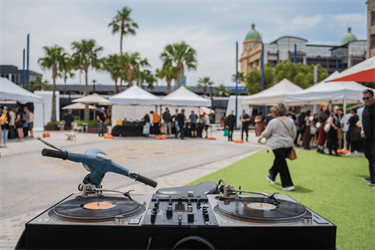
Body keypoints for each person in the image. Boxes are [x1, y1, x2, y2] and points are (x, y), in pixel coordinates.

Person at [260, 103, 297, 191]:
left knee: (281, 163)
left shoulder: (273, 122)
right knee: (280, 161)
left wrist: (261, 134)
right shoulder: (290, 120)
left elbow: (265, 134)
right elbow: (294, 134)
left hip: (276, 145)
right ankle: (271, 175)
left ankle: (287, 184)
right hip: (288, 145)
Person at [360, 89, 375, 188]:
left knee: (374, 158)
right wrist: (362, 129)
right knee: (369, 157)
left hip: (374, 138)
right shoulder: (365, 108)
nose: (365, 100)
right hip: (367, 137)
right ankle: (372, 176)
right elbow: (363, 120)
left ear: (373, 97)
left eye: (367, 98)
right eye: (364, 98)